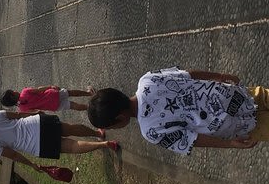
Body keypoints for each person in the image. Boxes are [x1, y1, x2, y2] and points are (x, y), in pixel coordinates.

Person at [87, 67, 269, 154]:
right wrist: (220, 76)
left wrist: (230, 144)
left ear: (119, 118)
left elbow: (192, 140)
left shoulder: (150, 131)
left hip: (238, 124)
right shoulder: (147, 80)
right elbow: (188, 75)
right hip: (236, 95)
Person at [0, 110, 117, 170]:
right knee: (71, 128)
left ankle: (103, 145)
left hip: (36, 146)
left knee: (72, 146)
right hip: (36, 125)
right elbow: (18, 115)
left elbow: (15, 156)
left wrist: (33, 165)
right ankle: (97, 133)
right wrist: (36, 113)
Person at [1, 86, 95, 112]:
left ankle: (90, 107)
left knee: (73, 106)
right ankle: (89, 93)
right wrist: (50, 86)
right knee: (70, 93)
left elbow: (36, 111)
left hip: (53, 106)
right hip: (52, 95)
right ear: (13, 95)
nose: (14, 91)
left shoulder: (22, 109)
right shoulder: (24, 92)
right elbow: (38, 89)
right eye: (12, 91)